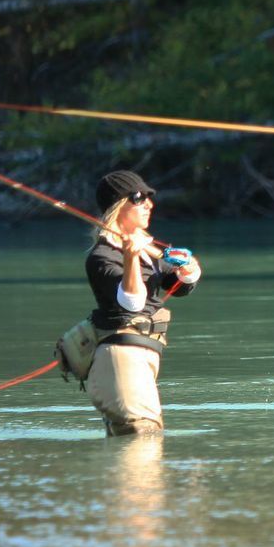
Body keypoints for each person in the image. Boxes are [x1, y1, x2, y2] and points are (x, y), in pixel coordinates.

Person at [84, 170, 202, 436]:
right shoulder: (102, 256)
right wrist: (130, 258)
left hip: (145, 356)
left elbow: (180, 286)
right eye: (138, 197)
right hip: (122, 357)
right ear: (117, 206)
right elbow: (132, 303)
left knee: (140, 441)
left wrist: (189, 267)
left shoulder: (148, 252)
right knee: (141, 437)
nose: (149, 204)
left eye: (149, 197)